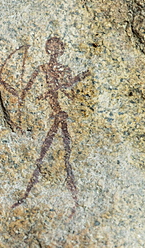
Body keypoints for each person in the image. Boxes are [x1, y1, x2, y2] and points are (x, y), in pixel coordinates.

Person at [12, 37, 90, 212]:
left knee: (61, 156)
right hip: (56, 116)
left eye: (57, 48)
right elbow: (27, 89)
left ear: (61, 50)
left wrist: (79, 78)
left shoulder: (63, 69)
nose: (54, 51)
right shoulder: (43, 68)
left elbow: (69, 89)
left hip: (60, 116)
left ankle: (74, 200)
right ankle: (27, 196)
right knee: (54, 156)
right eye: (51, 48)